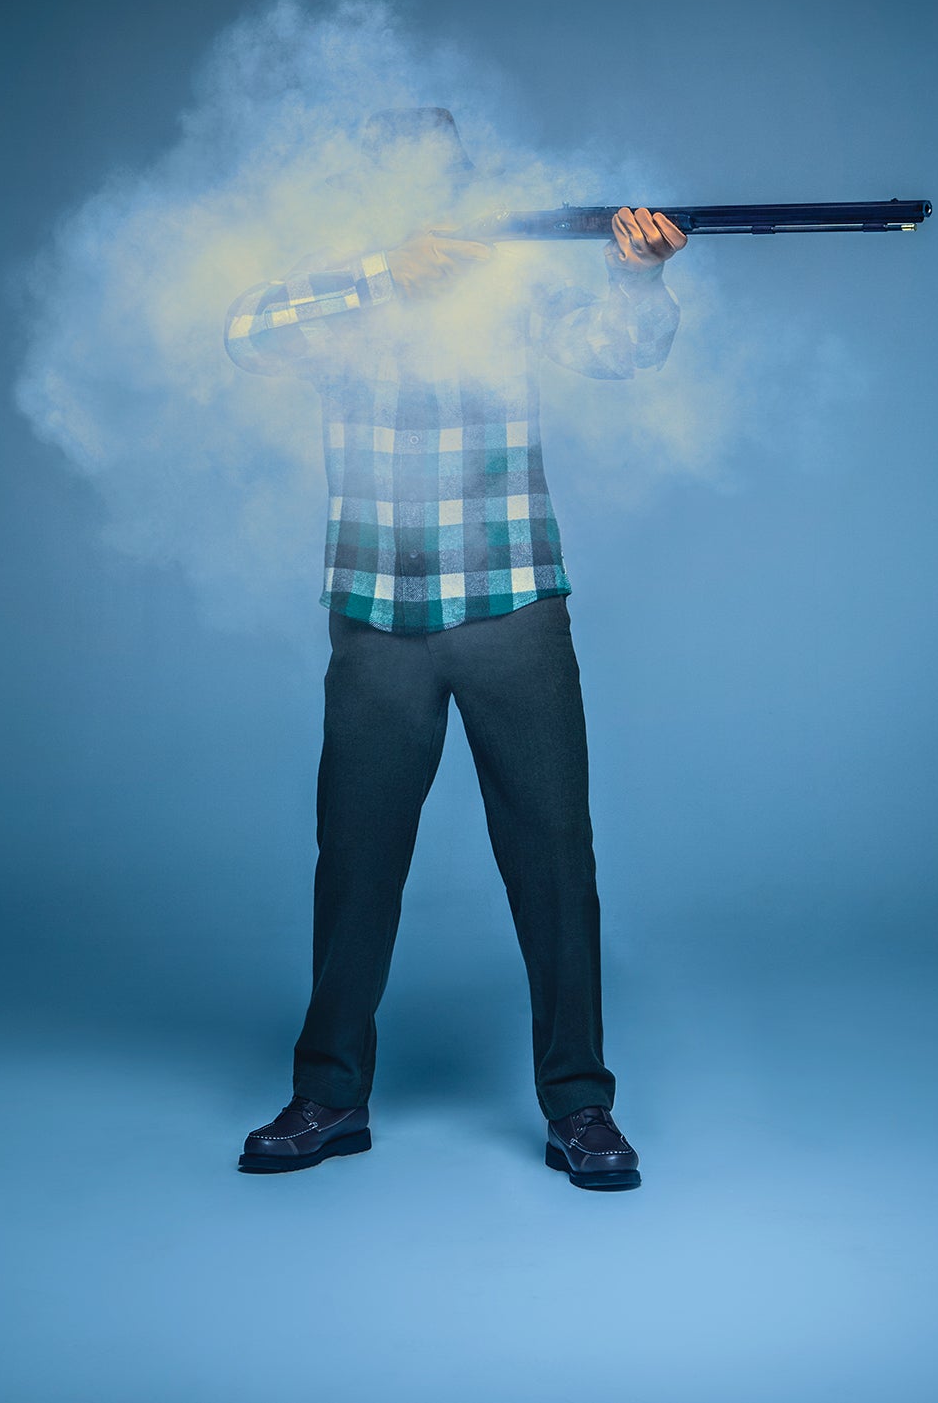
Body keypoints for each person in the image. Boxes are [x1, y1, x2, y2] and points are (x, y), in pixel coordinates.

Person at [224, 107, 685, 1190]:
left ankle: (581, 1105)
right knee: (356, 862)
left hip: (513, 605)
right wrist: (387, 273)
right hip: (377, 613)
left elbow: (620, 352)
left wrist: (638, 279)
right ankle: (330, 1094)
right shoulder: (342, 289)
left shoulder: (509, 284)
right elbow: (246, 334)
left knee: (555, 862)